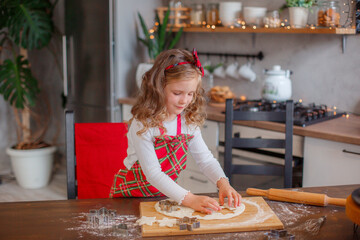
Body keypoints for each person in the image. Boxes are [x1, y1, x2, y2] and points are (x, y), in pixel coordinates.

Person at [110, 48, 241, 214]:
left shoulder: (188, 121)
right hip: (130, 199)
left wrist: (223, 183)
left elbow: (206, 160)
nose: (184, 101)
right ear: (159, 87)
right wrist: (191, 199)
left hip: (165, 196)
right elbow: (153, 174)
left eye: (190, 94)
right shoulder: (143, 123)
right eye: (177, 93)